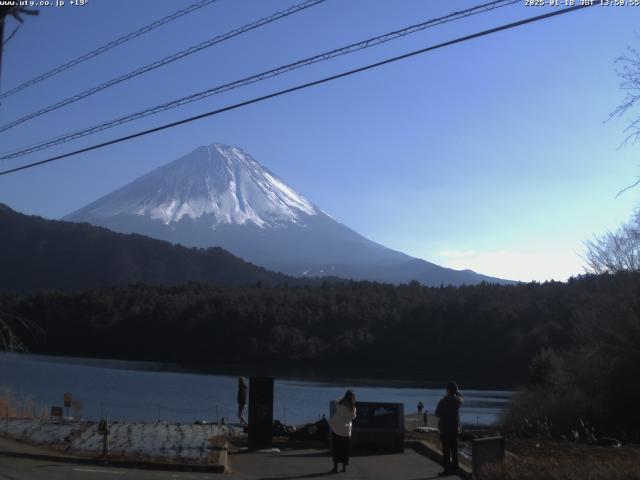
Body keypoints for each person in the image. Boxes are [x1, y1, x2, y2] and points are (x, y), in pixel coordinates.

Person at [435, 381, 464, 476]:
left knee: (446, 451)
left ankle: (447, 470)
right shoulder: (457, 401)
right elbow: (461, 398)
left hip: (444, 430)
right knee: (454, 450)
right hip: (454, 430)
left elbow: (437, 413)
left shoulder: (443, 401)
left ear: (448, 390)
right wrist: (458, 393)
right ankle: (455, 468)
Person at [329, 390, 356, 473]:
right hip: (346, 432)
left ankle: (335, 467)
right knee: (345, 450)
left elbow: (335, 401)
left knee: (336, 449)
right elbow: (353, 417)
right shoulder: (353, 409)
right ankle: (344, 467)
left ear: (345, 396)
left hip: (337, 429)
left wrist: (343, 399)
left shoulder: (340, 405)